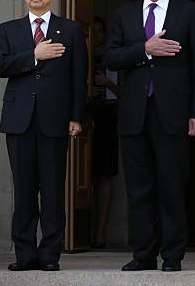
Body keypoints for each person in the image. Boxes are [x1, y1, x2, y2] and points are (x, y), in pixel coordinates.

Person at [104, 0, 195, 272]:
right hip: (134, 113)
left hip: (174, 114)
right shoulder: (123, 14)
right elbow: (110, 57)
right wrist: (145, 50)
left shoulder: (191, 13)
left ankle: (173, 255)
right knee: (138, 190)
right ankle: (143, 254)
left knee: (171, 186)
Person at [0, 0, 88, 271]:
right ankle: (25, 255)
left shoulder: (71, 30)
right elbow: (0, 65)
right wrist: (36, 54)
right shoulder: (9, 29)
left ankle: (49, 255)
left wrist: (76, 117)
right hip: (19, 119)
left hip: (56, 119)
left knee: (52, 190)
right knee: (23, 190)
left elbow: (78, 77)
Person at [90, 16, 120, 249]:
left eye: (100, 30)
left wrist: (106, 83)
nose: (97, 35)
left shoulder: (114, 57)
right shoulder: (82, 56)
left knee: (105, 176)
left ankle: (100, 233)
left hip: (108, 118)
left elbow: (130, 92)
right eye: (93, 31)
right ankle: (79, 232)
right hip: (85, 117)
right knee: (82, 176)